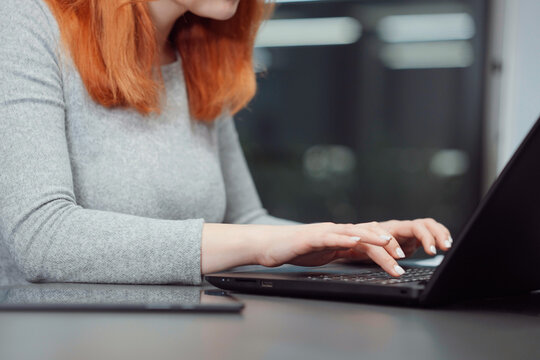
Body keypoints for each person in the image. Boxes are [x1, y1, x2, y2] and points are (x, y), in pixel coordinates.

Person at [0, 0, 452, 286]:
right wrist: (260, 243)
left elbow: (243, 220)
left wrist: (347, 243)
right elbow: (42, 236)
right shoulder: (25, 21)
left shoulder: (199, 58)